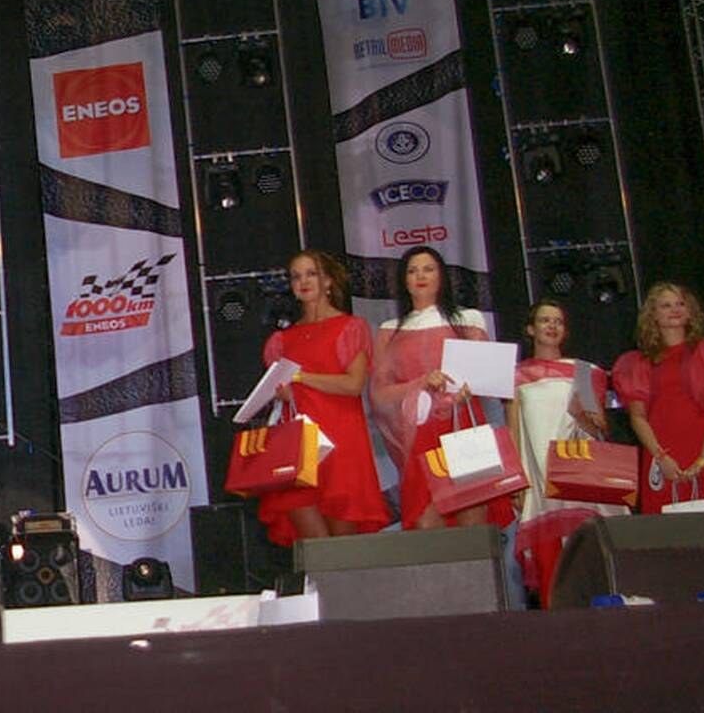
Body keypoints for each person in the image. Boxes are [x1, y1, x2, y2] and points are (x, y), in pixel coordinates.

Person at [252, 250, 390, 544]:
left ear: (328, 281)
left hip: (340, 444)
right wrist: (284, 392)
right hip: (298, 447)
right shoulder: (282, 340)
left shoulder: (350, 327)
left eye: (311, 274)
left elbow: (354, 384)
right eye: (296, 276)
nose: (303, 281)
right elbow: (281, 393)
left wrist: (301, 377)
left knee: (342, 550)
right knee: (314, 547)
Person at [370, 246, 512, 530]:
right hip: (420, 432)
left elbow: (489, 378)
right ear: (404, 280)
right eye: (412, 271)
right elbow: (379, 393)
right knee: (427, 520)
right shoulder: (389, 329)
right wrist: (420, 383)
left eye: (428, 269)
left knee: (472, 515)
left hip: (462, 426)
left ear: (442, 276)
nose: (420, 276)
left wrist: (469, 387)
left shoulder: (468, 319)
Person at [507, 299, 625, 603]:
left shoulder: (583, 372)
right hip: (539, 478)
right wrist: (517, 481)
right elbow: (513, 431)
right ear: (531, 329)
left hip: (580, 475)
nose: (552, 326)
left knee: (589, 558)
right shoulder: (515, 375)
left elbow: (599, 430)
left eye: (558, 321)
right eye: (545, 320)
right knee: (551, 564)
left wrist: (585, 417)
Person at [612, 283, 704, 513]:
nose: (675, 309)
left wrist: (703, 459)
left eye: (680, 304)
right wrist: (660, 456)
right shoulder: (637, 363)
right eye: (666, 305)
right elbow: (637, 417)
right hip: (662, 451)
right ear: (653, 314)